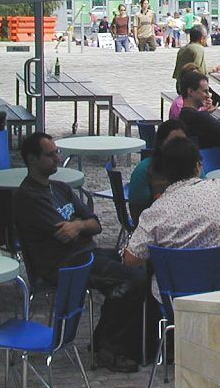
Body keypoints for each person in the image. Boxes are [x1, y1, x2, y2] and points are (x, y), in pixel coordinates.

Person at [13, 133, 147, 372]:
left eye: (57, 152)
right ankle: (108, 348)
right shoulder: (27, 198)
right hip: (65, 265)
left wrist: (78, 225)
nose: (57, 157)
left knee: (139, 267)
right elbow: (62, 235)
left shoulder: (60, 188)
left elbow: (96, 224)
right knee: (133, 280)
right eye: (51, 154)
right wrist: (80, 225)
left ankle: (113, 339)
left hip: (85, 254)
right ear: (32, 160)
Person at [125, 137, 220, 296]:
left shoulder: (154, 213)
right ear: (198, 167)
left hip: (180, 301)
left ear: (164, 173)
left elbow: (131, 259)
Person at [127, 119, 187, 221]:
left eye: (183, 141)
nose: (179, 146)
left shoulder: (194, 167)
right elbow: (137, 214)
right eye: (174, 141)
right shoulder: (144, 170)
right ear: (161, 144)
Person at [178, 71, 220, 149]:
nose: (208, 95)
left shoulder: (183, 115)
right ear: (190, 91)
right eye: (205, 91)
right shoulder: (200, 117)